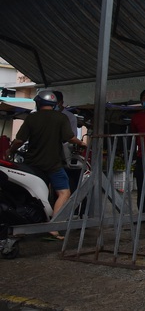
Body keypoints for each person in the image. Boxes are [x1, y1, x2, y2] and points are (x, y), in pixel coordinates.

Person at [5, 91, 87, 240]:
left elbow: (19, 140)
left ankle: (31, 222)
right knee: (63, 193)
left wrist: (10, 151)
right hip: (54, 165)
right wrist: (82, 143)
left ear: (38, 103)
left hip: (32, 165)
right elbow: (70, 138)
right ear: (55, 104)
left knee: (32, 194)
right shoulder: (61, 118)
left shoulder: (32, 118)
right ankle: (53, 228)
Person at [53, 91, 81, 195]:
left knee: (64, 189)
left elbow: (71, 137)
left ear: (61, 102)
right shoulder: (41, 115)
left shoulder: (69, 117)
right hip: (48, 156)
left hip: (62, 156)